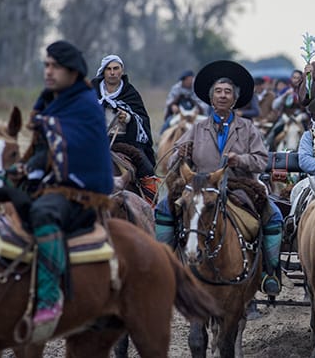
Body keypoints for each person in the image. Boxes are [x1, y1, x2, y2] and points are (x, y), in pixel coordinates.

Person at [154, 60, 283, 296]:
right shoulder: (197, 128)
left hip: (239, 186)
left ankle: (268, 272)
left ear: (235, 99)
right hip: (200, 186)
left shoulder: (247, 128)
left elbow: (261, 160)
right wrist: (180, 156)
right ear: (211, 98)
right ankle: (163, 267)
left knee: (273, 216)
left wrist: (240, 160)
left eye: (227, 93)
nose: (223, 96)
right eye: (218, 92)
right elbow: (172, 162)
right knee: (164, 209)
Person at [20, 41, 113, 330]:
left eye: (55, 66)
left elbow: (78, 152)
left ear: (73, 72)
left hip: (80, 192)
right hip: (50, 182)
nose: (48, 72)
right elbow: (42, 150)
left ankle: (49, 297)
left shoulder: (85, 104)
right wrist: (21, 171)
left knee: (44, 212)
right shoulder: (48, 99)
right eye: (46, 65)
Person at [91, 55, 158, 203]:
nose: (112, 72)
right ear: (103, 71)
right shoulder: (90, 91)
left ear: (122, 71)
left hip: (123, 142)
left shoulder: (130, 93)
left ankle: (150, 204)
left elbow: (142, 119)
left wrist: (128, 118)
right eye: (109, 69)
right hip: (93, 141)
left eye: (116, 68)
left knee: (145, 166)